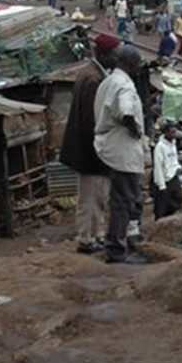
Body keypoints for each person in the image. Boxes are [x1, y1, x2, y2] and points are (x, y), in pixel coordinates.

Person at [60, 33, 120, 254]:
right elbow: (90, 119)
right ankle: (86, 238)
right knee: (92, 196)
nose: (117, 58)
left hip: (87, 148)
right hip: (90, 149)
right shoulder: (94, 80)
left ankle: (95, 234)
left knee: (95, 194)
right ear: (105, 54)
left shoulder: (89, 72)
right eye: (115, 54)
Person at [93, 44, 148, 265]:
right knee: (123, 199)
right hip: (123, 146)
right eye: (137, 63)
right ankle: (116, 249)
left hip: (110, 143)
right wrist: (134, 129)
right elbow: (126, 111)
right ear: (129, 63)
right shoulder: (125, 85)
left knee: (122, 196)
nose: (139, 67)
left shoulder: (108, 81)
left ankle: (121, 240)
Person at [151, 121, 182, 221]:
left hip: (173, 176)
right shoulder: (160, 147)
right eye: (172, 132)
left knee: (179, 198)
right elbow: (158, 167)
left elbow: (174, 159)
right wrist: (161, 185)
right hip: (164, 180)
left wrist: (178, 167)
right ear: (165, 133)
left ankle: (169, 217)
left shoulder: (173, 144)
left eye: (175, 132)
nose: (174, 135)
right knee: (161, 208)